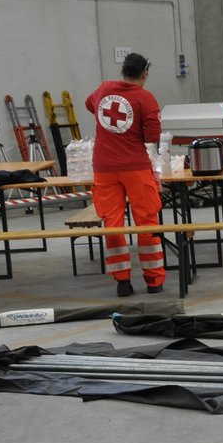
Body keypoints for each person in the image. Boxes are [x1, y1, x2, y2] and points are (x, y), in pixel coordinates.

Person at [85, 52, 165, 297]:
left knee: (113, 223)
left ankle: (122, 282)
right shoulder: (145, 97)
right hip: (136, 167)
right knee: (147, 221)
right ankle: (153, 281)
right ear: (145, 74)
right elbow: (152, 136)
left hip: (104, 167)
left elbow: (90, 104)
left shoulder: (103, 89)